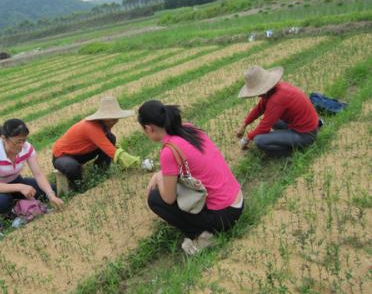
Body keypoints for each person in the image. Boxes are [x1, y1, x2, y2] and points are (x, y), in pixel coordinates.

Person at [138, 100, 244, 255]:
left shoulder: (168, 151)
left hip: (224, 216)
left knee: (155, 199)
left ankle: (202, 236)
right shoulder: (188, 128)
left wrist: (159, 177)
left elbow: (168, 198)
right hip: (237, 202)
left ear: (149, 128)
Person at [52, 96, 147, 189]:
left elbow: (109, 146)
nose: (115, 121)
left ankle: (101, 171)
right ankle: (77, 187)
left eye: (116, 118)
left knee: (110, 138)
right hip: (63, 156)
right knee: (72, 167)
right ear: (103, 118)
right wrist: (138, 163)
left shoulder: (103, 125)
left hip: (81, 153)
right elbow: (112, 151)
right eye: (112, 119)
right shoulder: (91, 128)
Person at [0, 119, 64, 218]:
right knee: (1, 202)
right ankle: (11, 212)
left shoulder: (27, 148)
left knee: (52, 189)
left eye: (24, 140)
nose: (21, 145)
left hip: (15, 181)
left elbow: (38, 174)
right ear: (4, 138)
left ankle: (19, 203)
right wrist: (21, 187)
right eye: (17, 141)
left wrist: (51, 195)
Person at [236, 66, 320, 157]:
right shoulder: (276, 88)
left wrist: (246, 139)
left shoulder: (276, 99)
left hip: (306, 134)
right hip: (305, 125)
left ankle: (291, 152)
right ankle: (287, 137)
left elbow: (263, 128)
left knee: (259, 140)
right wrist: (244, 124)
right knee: (272, 120)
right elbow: (259, 108)